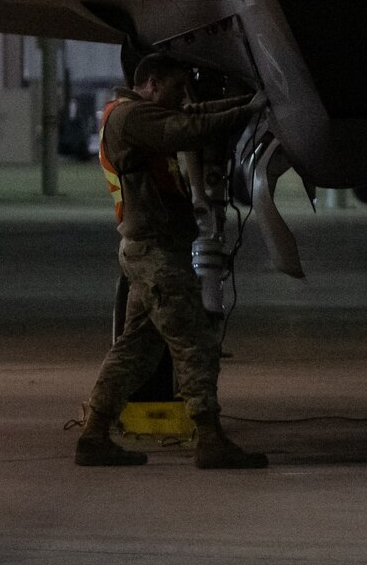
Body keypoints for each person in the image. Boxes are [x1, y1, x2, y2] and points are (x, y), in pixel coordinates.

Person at [75, 54, 269, 470]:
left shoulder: (135, 113)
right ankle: (210, 438)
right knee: (194, 341)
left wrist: (241, 104)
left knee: (136, 350)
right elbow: (188, 128)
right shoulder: (132, 118)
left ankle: (93, 434)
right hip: (155, 252)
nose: (184, 96)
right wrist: (246, 111)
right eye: (176, 87)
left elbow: (191, 114)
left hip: (146, 249)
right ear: (152, 82)